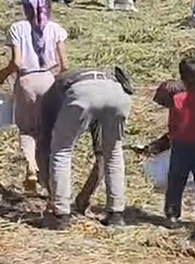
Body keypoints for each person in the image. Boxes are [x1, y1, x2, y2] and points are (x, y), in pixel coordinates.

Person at [0, 0, 69, 194]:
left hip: (26, 82)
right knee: (47, 131)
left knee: (27, 129)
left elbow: (17, 62)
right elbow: (65, 65)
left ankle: (31, 167)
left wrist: (2, 74)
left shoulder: (17, 28)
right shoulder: (55, 29)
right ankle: (48, 179)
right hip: (48, 80)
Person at [46, 66, 133, 229]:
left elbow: (55, 113)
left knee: (62, 151)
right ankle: (116, 213)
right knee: (114, 153)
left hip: (83, 95)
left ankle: (61, 214)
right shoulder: (102, 74)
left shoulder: (59, 82)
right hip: (117, 94)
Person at [148, 57, 195, 228]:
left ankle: (172, 215)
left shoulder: (176, 99)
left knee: (176, 180)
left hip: (180, 145)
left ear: (182, 78)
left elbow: (160, 97)